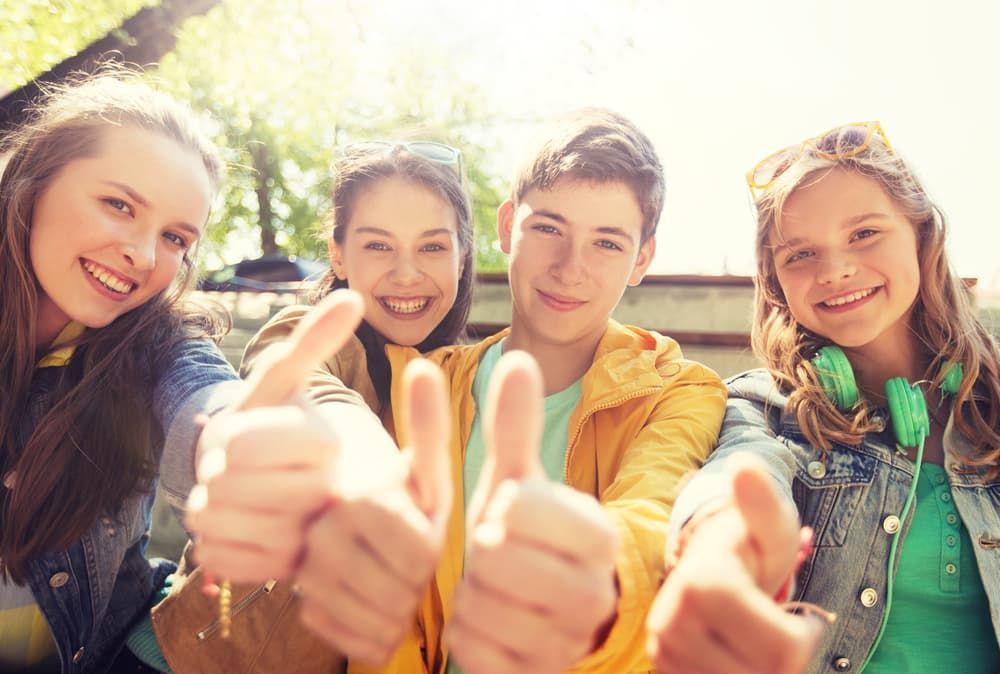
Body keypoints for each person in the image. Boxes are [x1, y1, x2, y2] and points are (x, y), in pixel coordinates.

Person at [294, 108, 727, 674]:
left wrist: (591, 575)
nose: (570, 268)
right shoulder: (426, 383)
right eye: (548, 228)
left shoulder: (680, 392)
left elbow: (653, 509)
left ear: (642, 258)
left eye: (607, 243)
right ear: (505, 228)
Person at [646, 121, 1000, 674]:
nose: (834, 270)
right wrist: (717, 553)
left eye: (864, 234)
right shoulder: (765, 409)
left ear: (923, 236)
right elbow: (738, 478)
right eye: (800, 254)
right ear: (775, 283)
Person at [149, 141, 475, 673]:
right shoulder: (304, 336)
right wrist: (375, 479)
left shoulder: (463, 375)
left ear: (463, 253)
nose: (408, 273)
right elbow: (313, 397)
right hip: (187, 659)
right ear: (339, 254)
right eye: (378, 246)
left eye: (434, 248)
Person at [0, 70, 241, 674]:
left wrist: (248, 442)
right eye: (119, 205)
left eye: (175, 237)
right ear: (37, 180)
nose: (142, 254)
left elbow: (208, 395)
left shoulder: (156, 340)